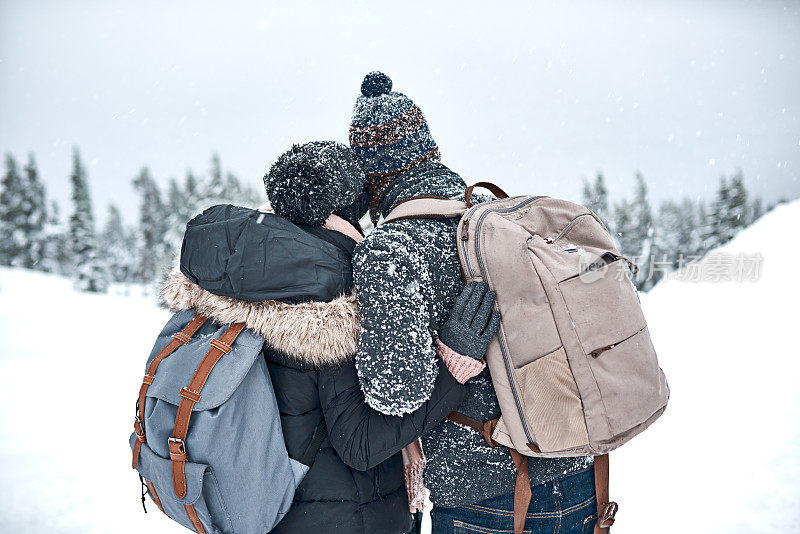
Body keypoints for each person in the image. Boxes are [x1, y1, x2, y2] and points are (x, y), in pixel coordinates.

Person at [163, 140, 497, 534]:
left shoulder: (239, 271)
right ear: (345, 212)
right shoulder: (329, 295)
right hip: (345, 519)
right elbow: (361, 444)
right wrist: (453, 369)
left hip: (273, 512)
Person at [348, 72, 599, 533]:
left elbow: (395, 392)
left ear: (371, 182)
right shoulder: (494, 217)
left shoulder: (389, 249)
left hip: (485, 496)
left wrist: (452, 355)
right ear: (431, 153)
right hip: (578, 469)